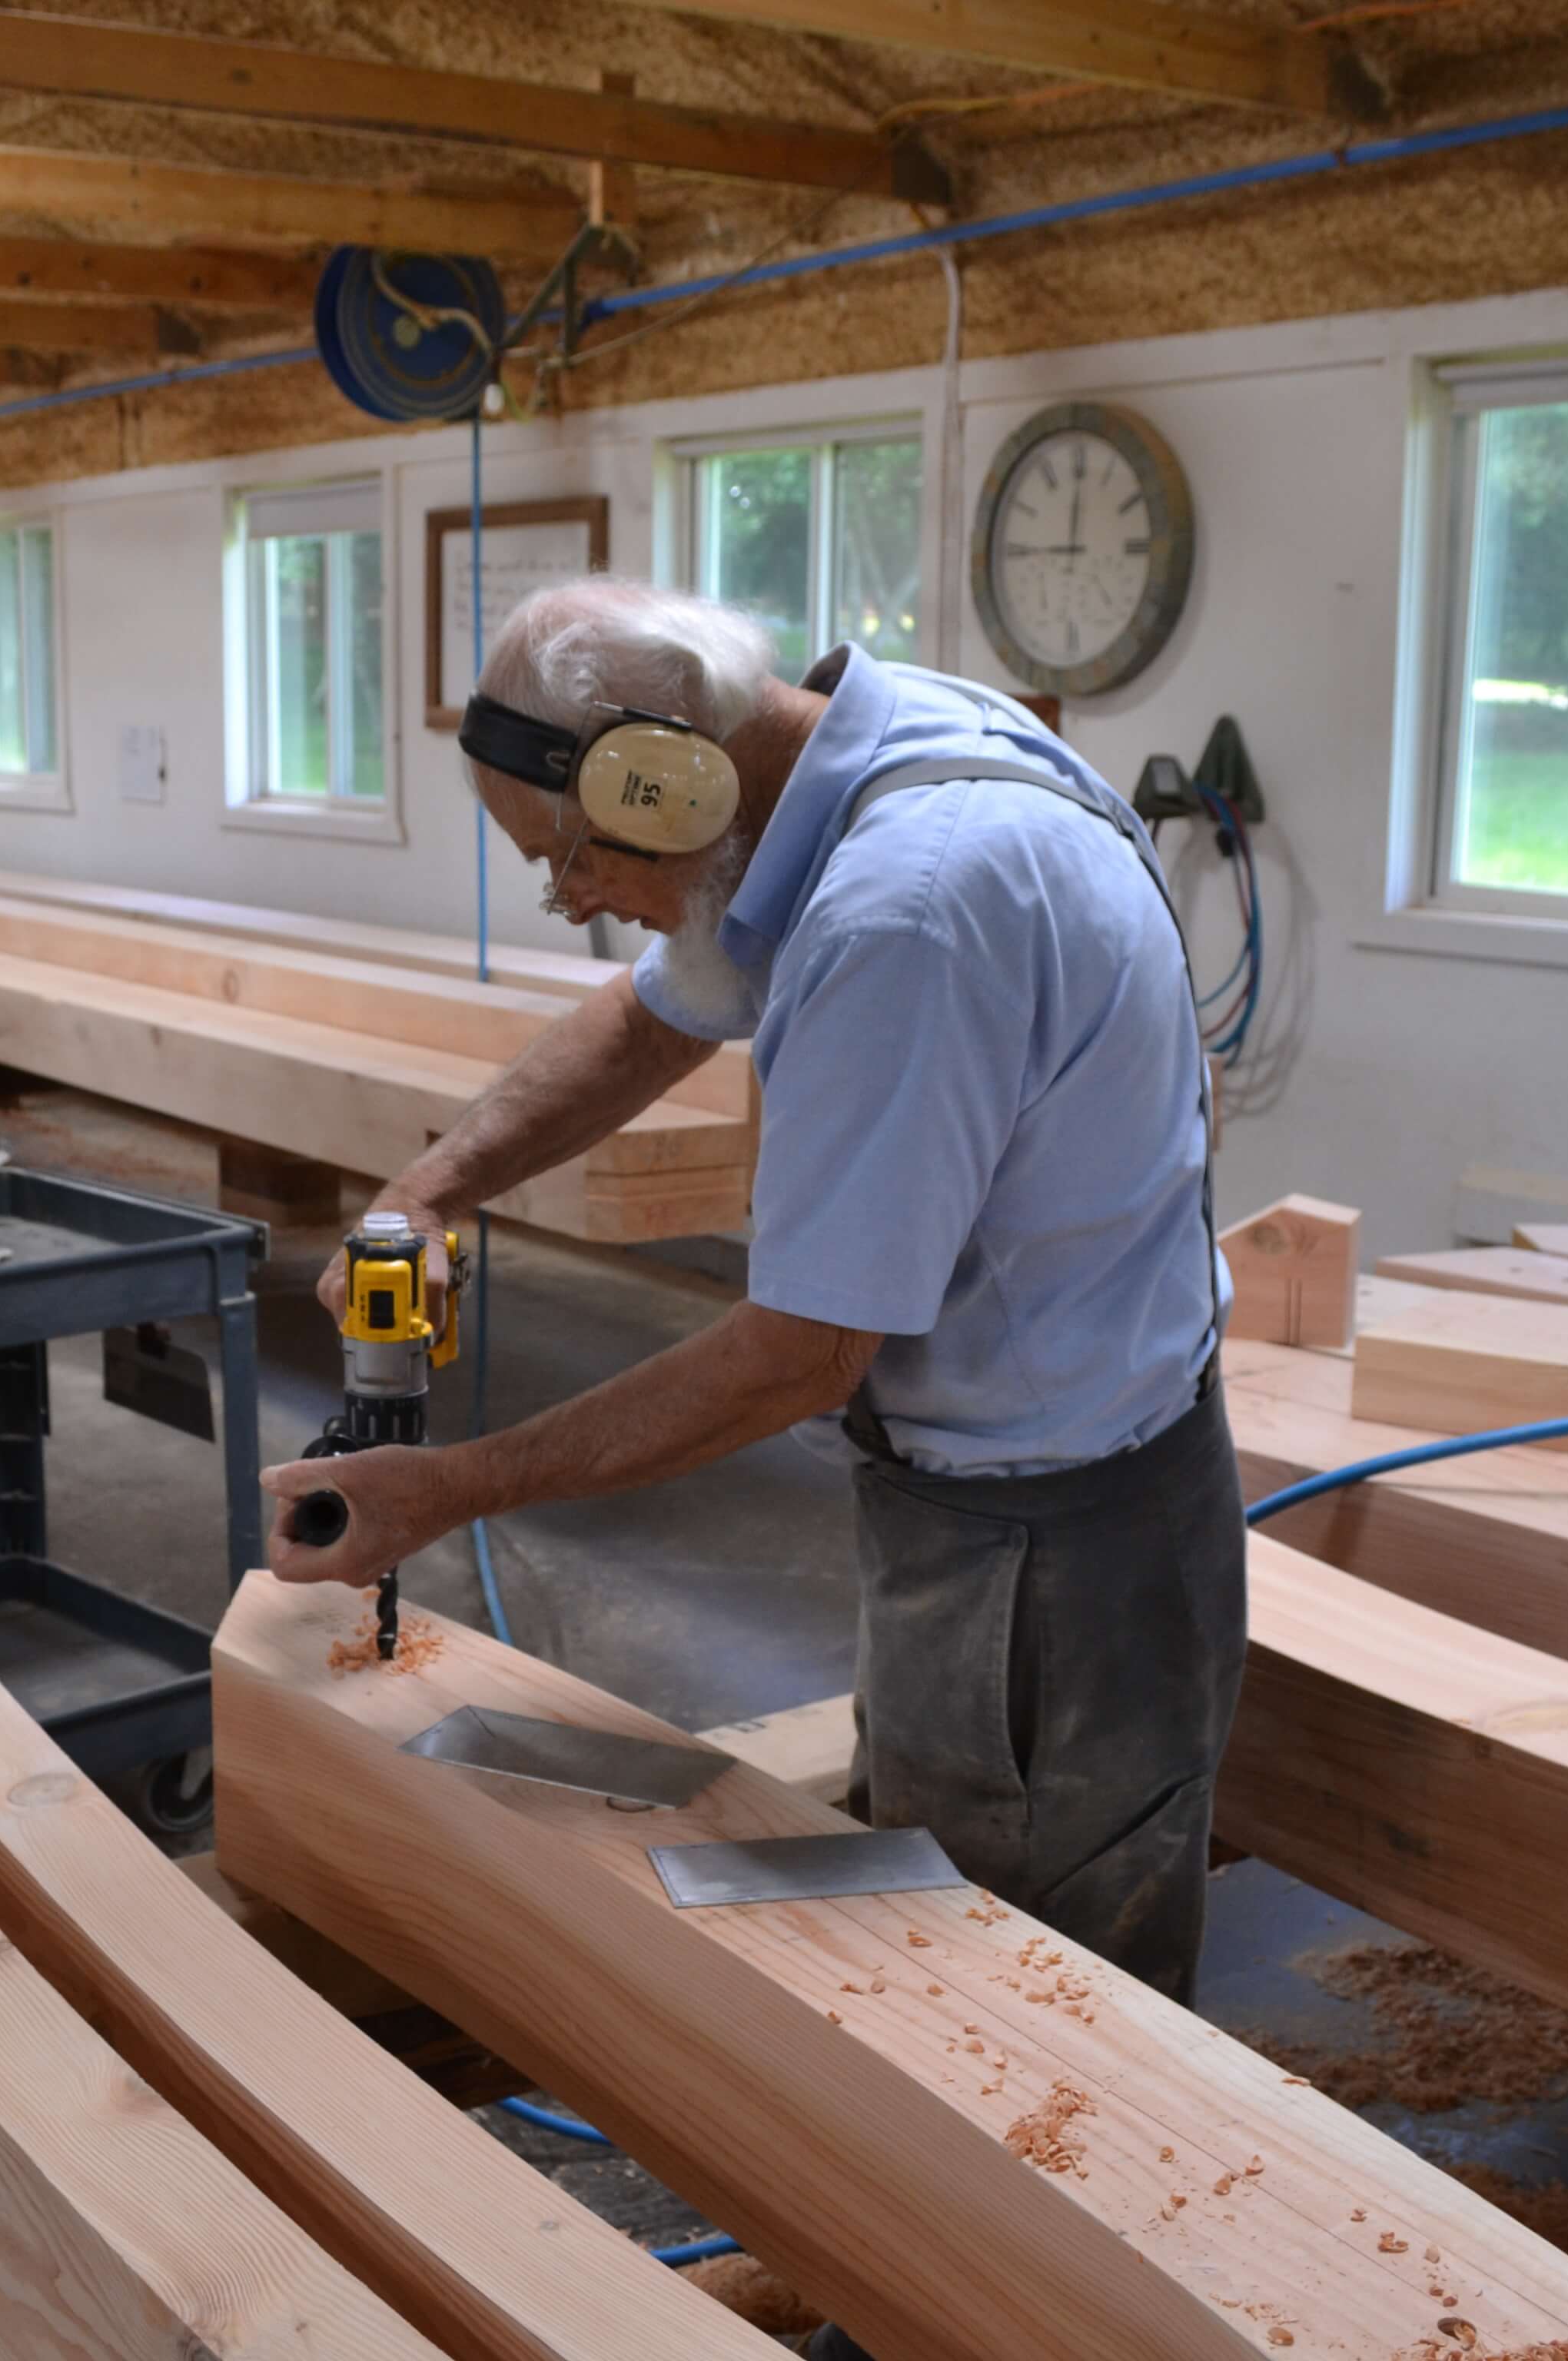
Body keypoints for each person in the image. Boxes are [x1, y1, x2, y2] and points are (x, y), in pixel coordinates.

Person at [262, 576, 1244, 2017]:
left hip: (1048, 1547)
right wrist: (437, 1187)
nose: (576, 902)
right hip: (1069, 1467)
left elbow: (798, 1355)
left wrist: (452, 1486)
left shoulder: (904, 919)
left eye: (572, 860)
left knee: (1024, 2001)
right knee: (932, 1898)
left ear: (670, 783)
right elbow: (653, 1015)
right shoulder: (869, 741)